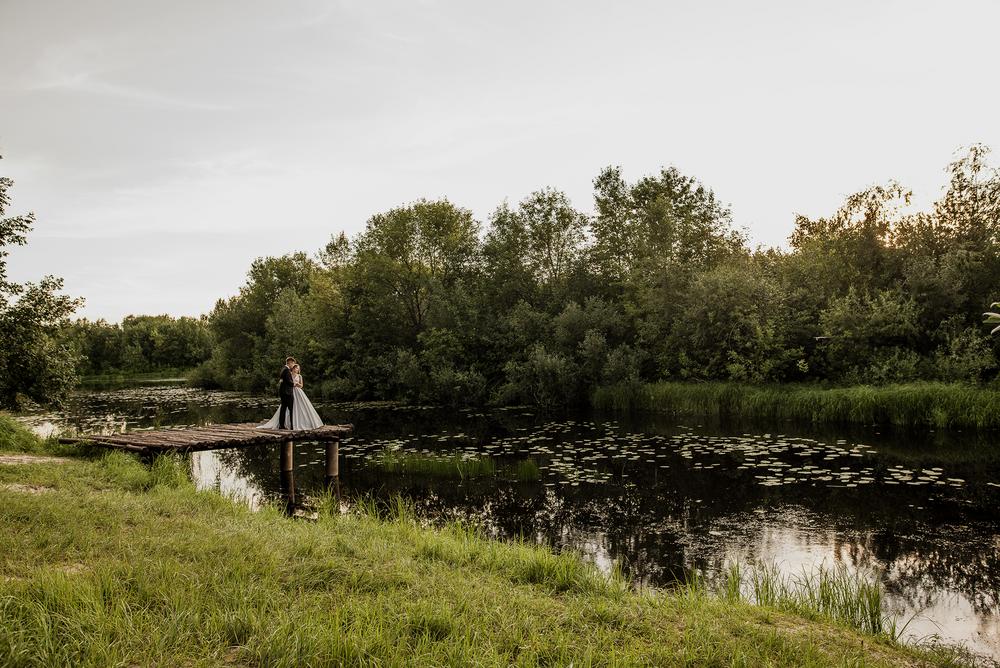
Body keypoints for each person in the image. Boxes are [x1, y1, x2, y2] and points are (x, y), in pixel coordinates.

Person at [258, 357, 324, 431]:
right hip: (288, 392)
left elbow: (287, 381)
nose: (294, 366)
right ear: (290, 362)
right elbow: (288, 381)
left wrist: (294, 383)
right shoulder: (286, 370)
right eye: (293, 364)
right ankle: (290, 425)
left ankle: (288, 425)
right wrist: (294, 383)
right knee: (289, 409)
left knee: (287, 408)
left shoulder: (286, 370)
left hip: (290, 392)